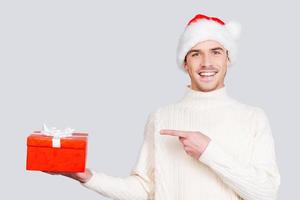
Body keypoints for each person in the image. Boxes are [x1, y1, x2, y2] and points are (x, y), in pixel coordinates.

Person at [46, 13, 281, 200]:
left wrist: (209, 152)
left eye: (216, 52)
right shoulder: (162, 118)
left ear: (228, 59)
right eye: (196, 54)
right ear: (185, 63)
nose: (207, 62)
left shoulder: (253, 118)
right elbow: (145, 189)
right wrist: (87, 177)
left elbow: (267, 193)